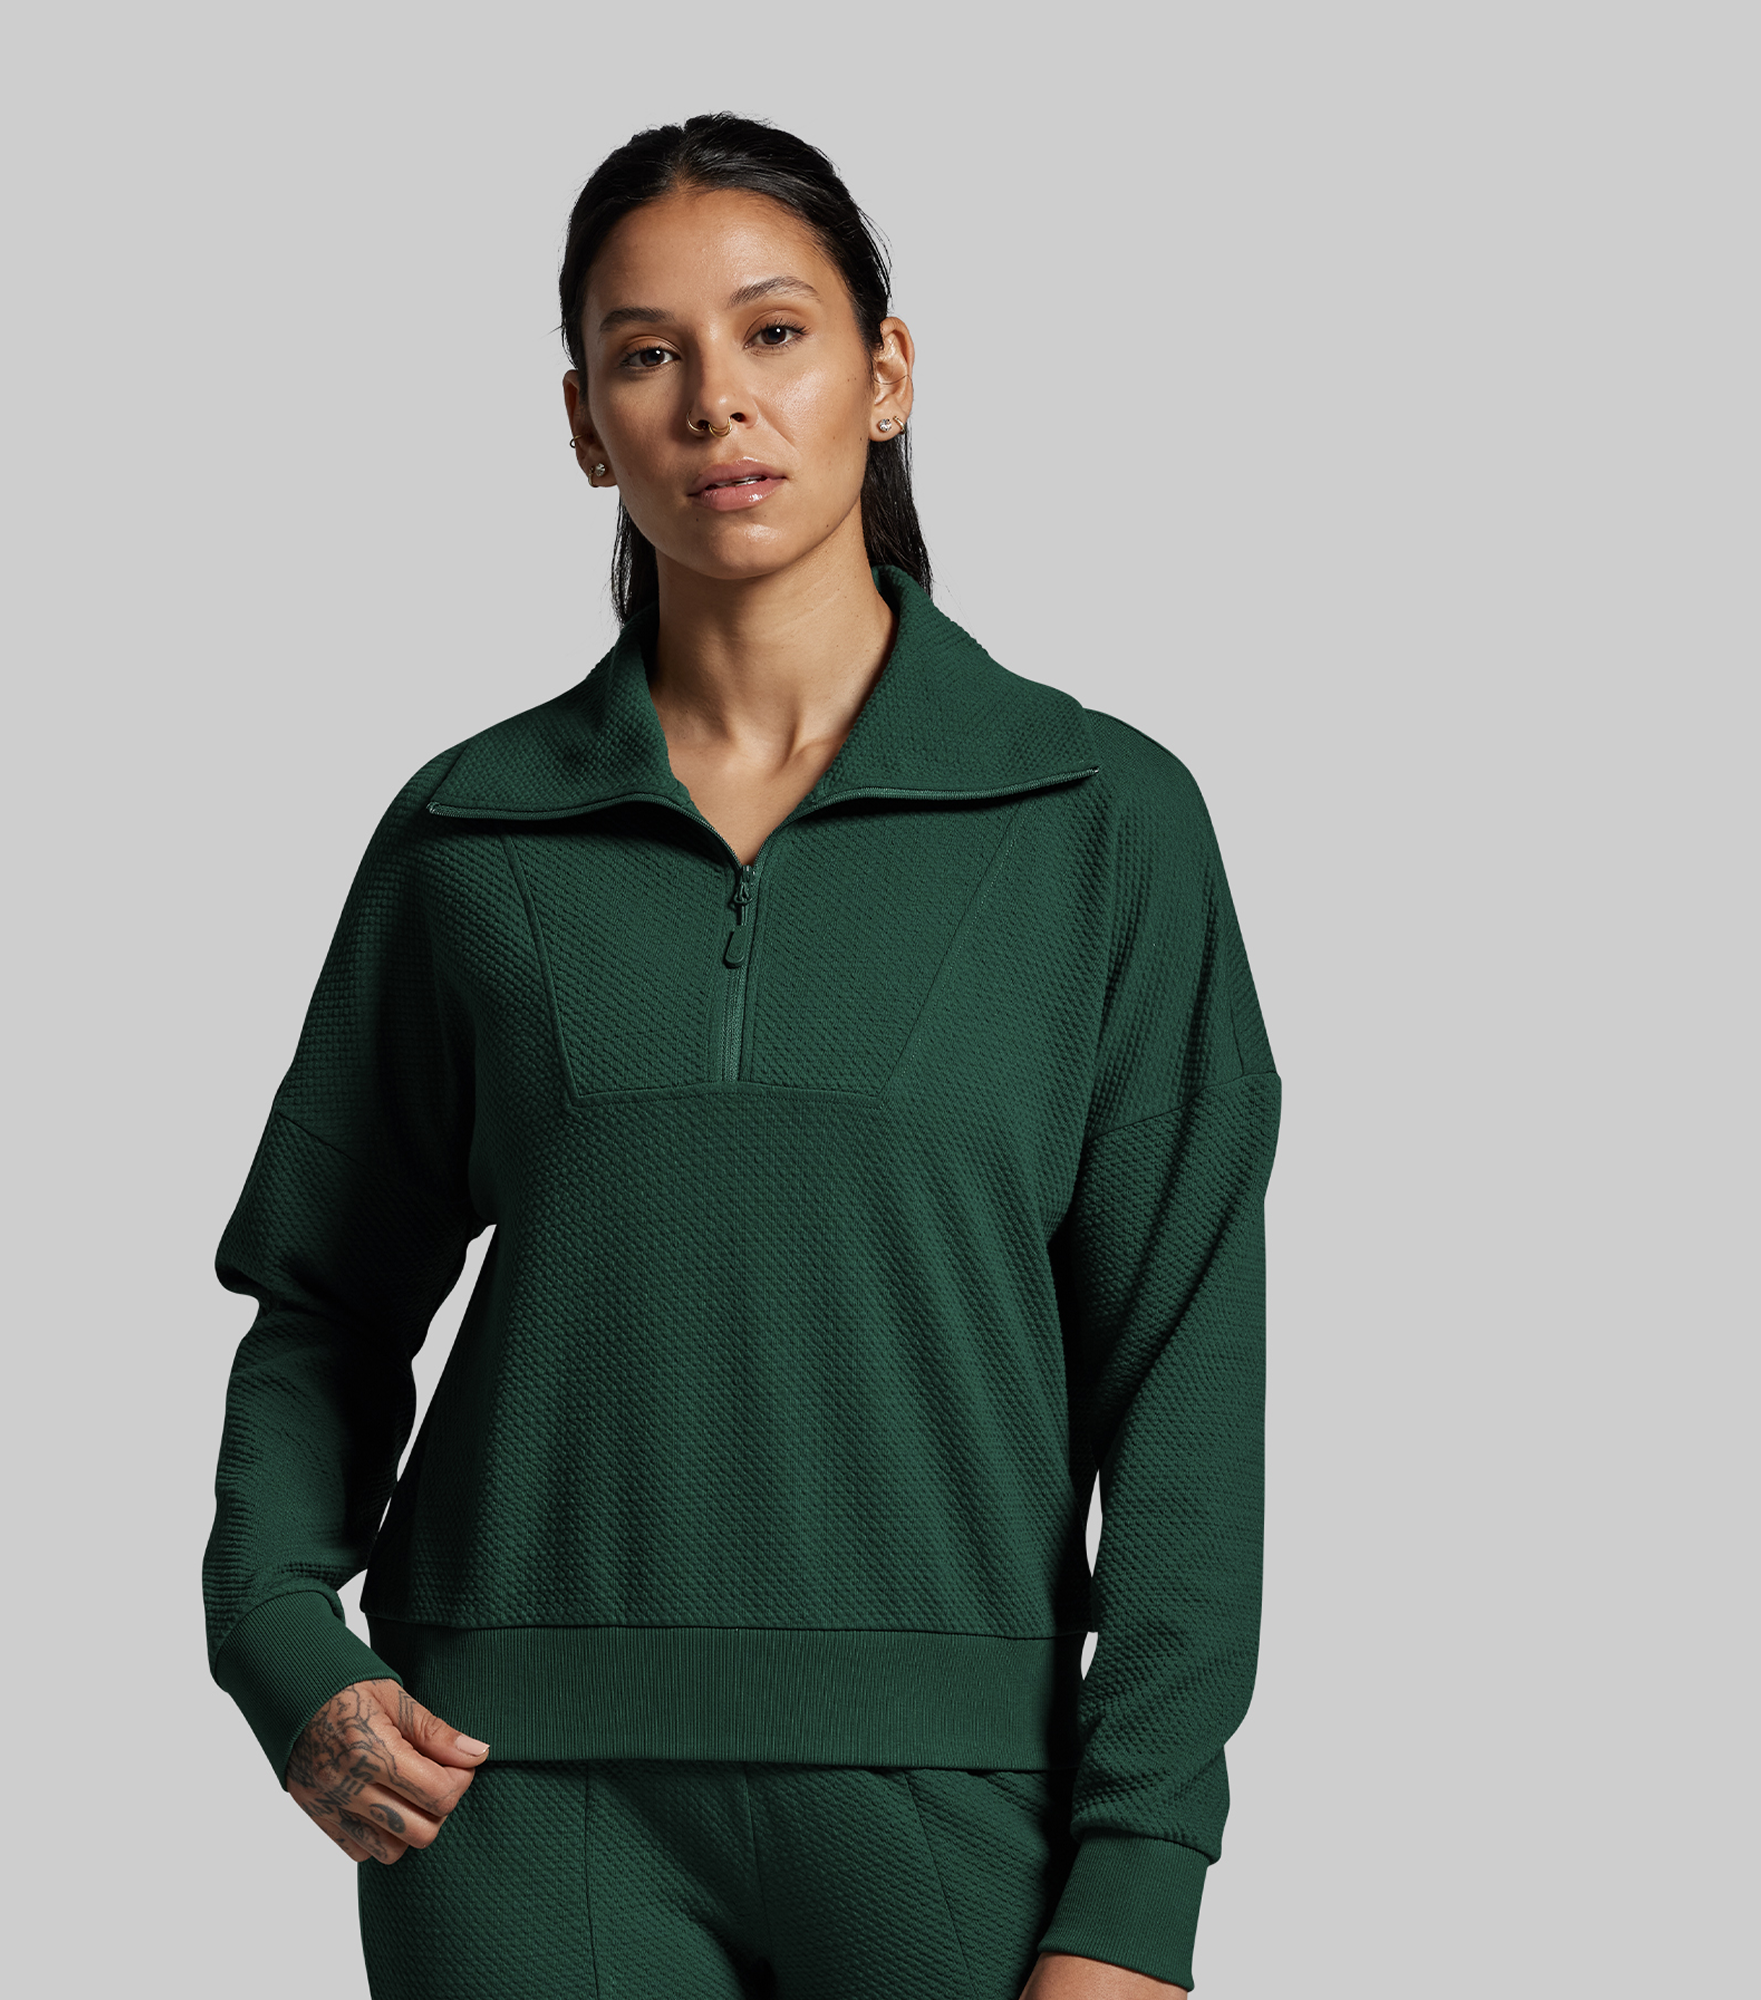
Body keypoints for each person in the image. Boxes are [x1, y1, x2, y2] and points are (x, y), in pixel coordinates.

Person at [203, 112, 1280, 2000]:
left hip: (962, 1805)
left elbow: (1184, 1378)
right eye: (648, 354)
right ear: (583, 422)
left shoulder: (1101, 821)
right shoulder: (474, 835)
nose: (717, 400)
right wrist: (279, 1635)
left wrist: (1142, 1877)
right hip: (511, 1801)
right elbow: (326, 1302)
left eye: (775, 332)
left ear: (888, 374)